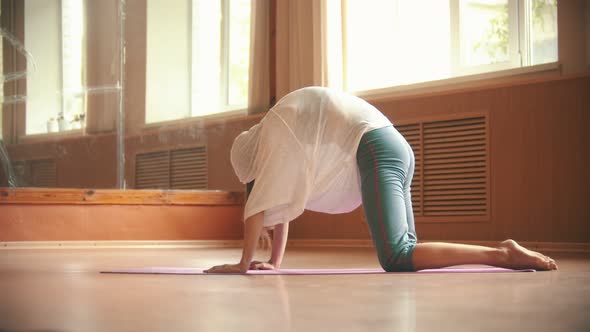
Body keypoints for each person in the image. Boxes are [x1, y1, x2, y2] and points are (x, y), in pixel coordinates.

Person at [206, 87, 558, 274]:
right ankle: (501, 253)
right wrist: (275, 263)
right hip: (394, 146)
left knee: (395, 256)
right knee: (409, 251)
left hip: (375, 151)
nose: (257, 182)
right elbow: (278, 202)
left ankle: (502, 254)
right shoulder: (280, 125)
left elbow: (259, 205)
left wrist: (242, 264)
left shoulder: (275, 133)